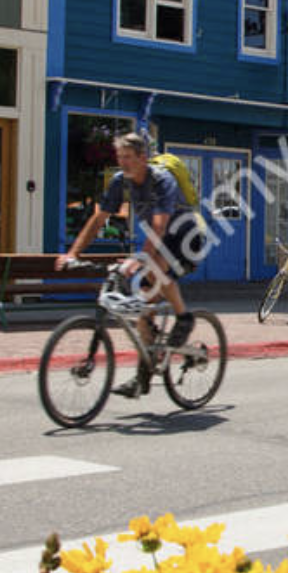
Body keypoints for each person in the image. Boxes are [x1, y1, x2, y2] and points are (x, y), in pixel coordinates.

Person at [58, 132, 206, 399]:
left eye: (128, 157)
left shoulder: (162, 181)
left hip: (186, 240)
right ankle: (142, 377)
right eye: (120, 157)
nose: (123, 162)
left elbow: (160, 227)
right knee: (142, 315)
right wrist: (72, 253)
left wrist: (138, 259)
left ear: (143, 158)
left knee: (156, 265)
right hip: (158, 242)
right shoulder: (120, 182)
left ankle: (184, 317)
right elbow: (98, 219)